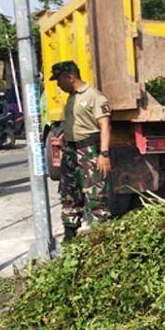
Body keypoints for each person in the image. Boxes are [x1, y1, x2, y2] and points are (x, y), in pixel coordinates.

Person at [51, 61, 112, 242]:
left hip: (89, 150)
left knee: (96, 192)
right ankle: (70, 234)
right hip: (71, 150)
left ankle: (101, 237)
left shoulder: (94, 96)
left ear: (69, 77)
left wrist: (104, 154)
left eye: (59, 80)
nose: (58, 85)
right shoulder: (72, 97)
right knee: (69, 192)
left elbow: (105, 125)